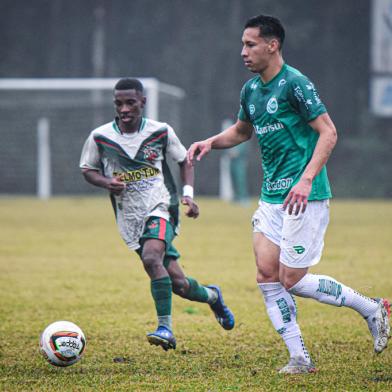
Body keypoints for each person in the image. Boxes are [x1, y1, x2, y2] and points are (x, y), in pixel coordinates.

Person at [187, 15, 390, 373]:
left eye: (250, 44)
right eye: (242, 44)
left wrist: (306, 179)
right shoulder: (250, 90)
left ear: (272, 45)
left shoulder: (295, 84)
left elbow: (328, 133)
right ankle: (299, 357)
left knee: (291, 280)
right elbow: (241, 131)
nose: (243, 52)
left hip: (305, 196)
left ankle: (373, 308)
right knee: (266, 275)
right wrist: (210, 142)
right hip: (271, 198)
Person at [80, 78, 234, 351]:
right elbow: (87, 170)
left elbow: (184, 160)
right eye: (119, 103)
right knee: (179, 284)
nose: (124, 109)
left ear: (143, 102)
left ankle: (165, 328)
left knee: (152, 258)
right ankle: (212, 296)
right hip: (130, 217)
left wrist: (188, 194)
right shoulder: (100, 136)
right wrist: (107, 182)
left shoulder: (160, 132)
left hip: (162, 206)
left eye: (130, 102)